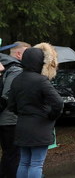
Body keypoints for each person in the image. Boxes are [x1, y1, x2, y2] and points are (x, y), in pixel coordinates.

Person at [7, 43, 63, 178]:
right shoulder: (41, 81)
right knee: (36, 164)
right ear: (40, 62)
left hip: (22, 126)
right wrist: (51, 115)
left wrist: (23, 113)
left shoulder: (17, 80)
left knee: (24, 162)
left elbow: (11, 105)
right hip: (40, 127)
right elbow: (58, 102)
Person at [0, 41, 30, 178]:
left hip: (5, 119)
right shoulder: (16, 70)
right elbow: (7, 96)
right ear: (19, 54)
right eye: (27, 54)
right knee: (12, 155)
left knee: (9, 154)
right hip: (10, 120)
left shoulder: (4, 66)